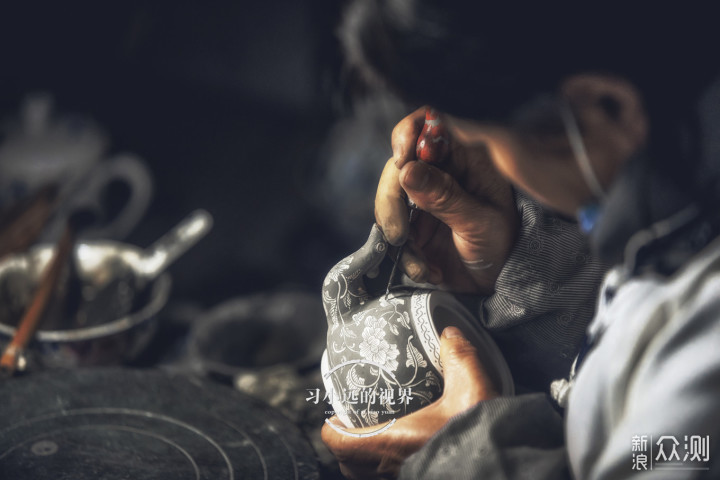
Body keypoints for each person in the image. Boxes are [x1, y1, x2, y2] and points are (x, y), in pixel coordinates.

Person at [321, 2, 720, 479]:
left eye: (486, 142)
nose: (490, 164)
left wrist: (469, 455)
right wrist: (523, 262)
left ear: (605, 108)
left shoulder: (704, 342)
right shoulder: (680, 206)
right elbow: (608, 398)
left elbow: (664, 455)